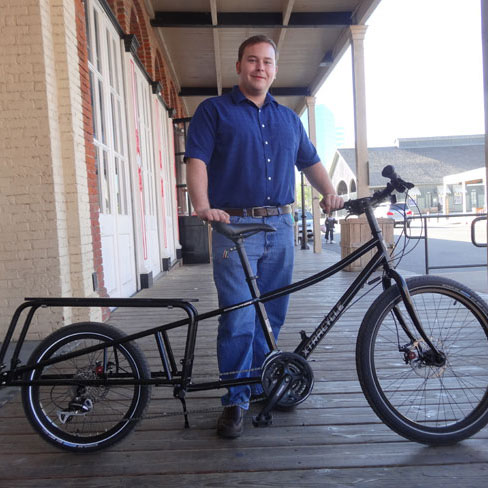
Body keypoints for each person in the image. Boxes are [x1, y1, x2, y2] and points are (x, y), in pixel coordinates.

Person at [185, 35, 343, 439]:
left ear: (275, 68)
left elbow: (310, 161)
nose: (260, 68)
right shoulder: (214, 111)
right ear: (239, 66)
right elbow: (197, 159)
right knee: (238, 315)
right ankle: (234, 400)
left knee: (270, 314)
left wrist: (328, 191)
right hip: (234, 227)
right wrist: (204, 207)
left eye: (267, 62)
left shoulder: (289, 119)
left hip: (281, 227)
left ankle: (258, 385)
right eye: (252, 60)